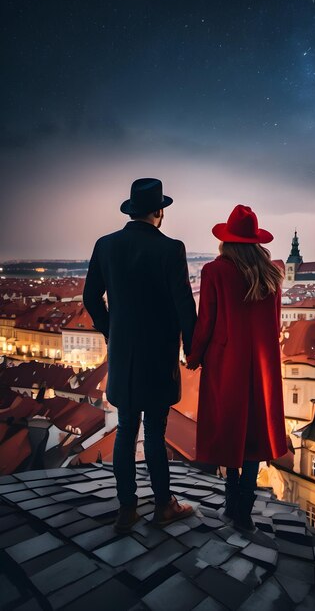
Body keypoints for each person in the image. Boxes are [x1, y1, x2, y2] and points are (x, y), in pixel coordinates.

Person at [83, 178, 197, 533]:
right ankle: (163, 505)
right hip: (159, 358)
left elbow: (91, 298)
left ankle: (126, 509)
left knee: (125, 430)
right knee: (155, 432)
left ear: (132, 210)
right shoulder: (171, 249)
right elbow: (184, 306)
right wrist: (193, 349)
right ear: (159, 211)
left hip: (122, 356)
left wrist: (110, 330)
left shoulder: (105, 245)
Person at [186, 204, 288, 532]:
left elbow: (206, 322)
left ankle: (231, 506)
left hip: (226, 361)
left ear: (226, 240)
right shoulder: (273, 272)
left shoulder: (215, 271)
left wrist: (194, 356)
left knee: (230, 429)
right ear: (255, 241)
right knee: (255, 432)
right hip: (262, 363)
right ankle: (243, 510)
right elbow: (273, 326)